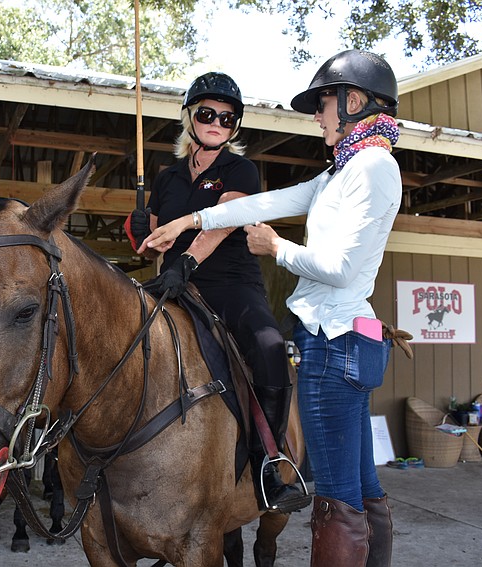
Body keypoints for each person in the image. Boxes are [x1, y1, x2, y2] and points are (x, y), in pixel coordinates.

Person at [139, 50, 401, 567]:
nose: (318, 115)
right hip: (337, 334)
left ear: (352, 102)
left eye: (323, 104)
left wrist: (277, 248)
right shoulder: (340, 172)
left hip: (335, 340)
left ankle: (271, 459)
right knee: (363, 489)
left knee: (338, 497)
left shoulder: (371, 167)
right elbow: (258, 205)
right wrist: (183, 222)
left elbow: (343, 268)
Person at [126, 71, 311, 514]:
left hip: (230, 284)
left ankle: (270, 463)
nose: (217, 123)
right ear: (189, 117)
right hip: (174, 285)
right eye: (208, 114)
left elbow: (222, 222)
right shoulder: (168, 176)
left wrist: (185, 265)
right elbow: (156, 238)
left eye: (228, 119)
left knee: (268, 347)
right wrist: (140, 231)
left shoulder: (239, 169)